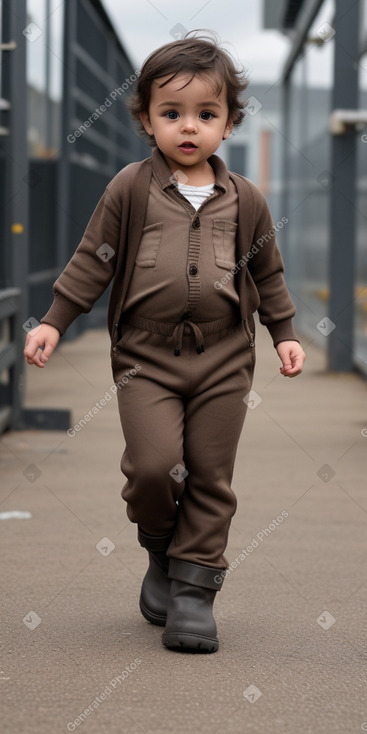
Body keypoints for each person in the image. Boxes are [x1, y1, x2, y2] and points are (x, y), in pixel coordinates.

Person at [24, 32, 306, 654]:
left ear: (229, 123)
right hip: (144, 358)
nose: (188, 128)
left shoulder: (246, 200)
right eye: (171, 113)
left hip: (225, 356)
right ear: (146, 120)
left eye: (206, 115)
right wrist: (53, 320)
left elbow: (269, 275)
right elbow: (92, 260)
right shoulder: (130, 186)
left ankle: (193, 594)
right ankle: (161, 551)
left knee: (209, 473)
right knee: (154, 469)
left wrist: (284, 334)